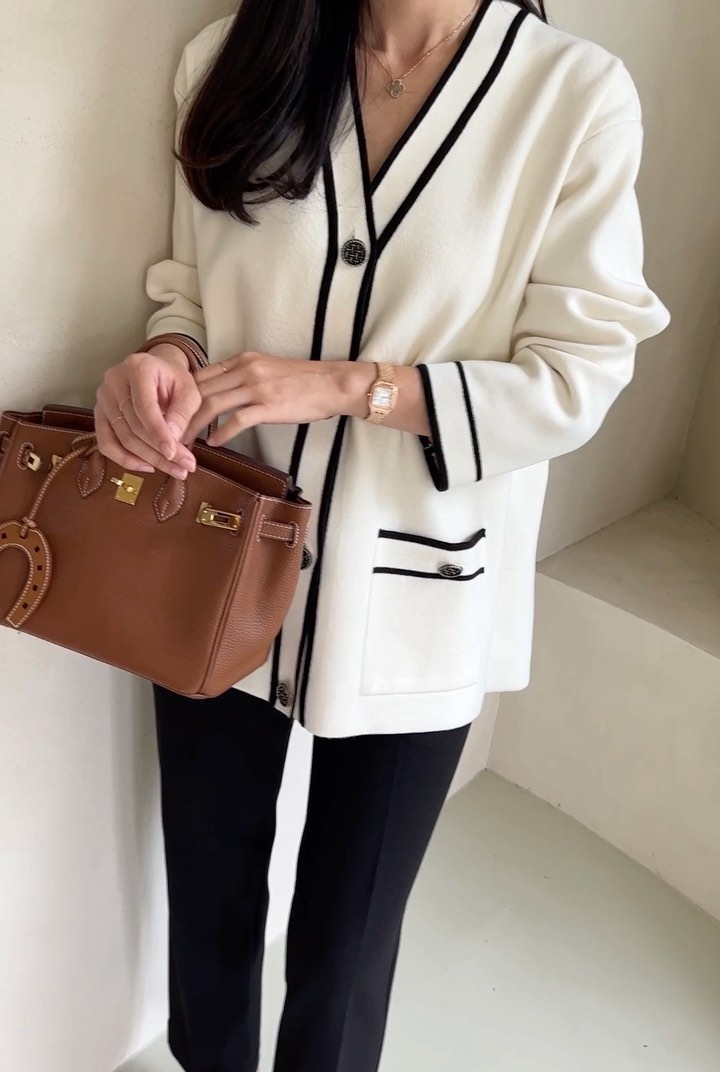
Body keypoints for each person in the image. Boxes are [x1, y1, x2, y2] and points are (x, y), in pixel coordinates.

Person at [95, 1, 669, 1069]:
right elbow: (189, 291)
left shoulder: (572, 96)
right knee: (208, 899)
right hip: (216, 553)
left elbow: (577, 375)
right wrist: (163, 360)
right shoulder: (230, 59)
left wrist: (350, 387)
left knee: (346, 943)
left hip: (422, 587)